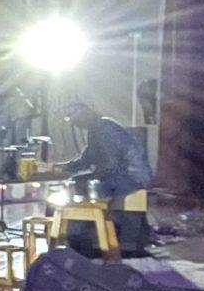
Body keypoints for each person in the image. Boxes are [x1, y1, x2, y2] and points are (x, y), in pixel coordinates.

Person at [61, 99, 154, 255]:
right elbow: (87, 159)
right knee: (80, 182)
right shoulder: (96, 128)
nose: (75, 123)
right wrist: (63, 168)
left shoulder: (104, 128)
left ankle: (95, 237)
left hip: (132, 176)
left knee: (87, 187)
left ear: (86, 114)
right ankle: (87, 236)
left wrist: (90, 176)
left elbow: (111, 164)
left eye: (75, 118)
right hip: (120, 173)